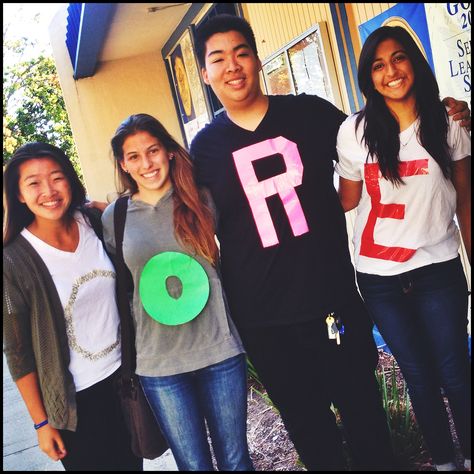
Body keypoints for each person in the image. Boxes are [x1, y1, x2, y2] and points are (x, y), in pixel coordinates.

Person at [190, 14, 471, 471]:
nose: (232, 66)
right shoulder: (201, 151)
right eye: (218, 58)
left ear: (258, 59)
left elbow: (386, 132)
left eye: (241, 53)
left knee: (363, 415)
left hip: (331, 299)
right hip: (263, 314)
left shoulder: (310, 114)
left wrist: (448, 113)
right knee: (307, 427)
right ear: (205, 73)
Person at [335, 26, 471, 472]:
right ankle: (446, 462)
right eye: (378, 64)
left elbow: (466, 201)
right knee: (417, 374)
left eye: (399, 58)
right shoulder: (354, 131)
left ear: (414, 61)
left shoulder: (449, 122)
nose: (390, 71)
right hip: (378, 276)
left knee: (454, 369)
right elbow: (348, 201)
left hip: (437, 267)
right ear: (367, 77)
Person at [101, 113, 254, 471]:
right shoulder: (115, 216)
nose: (146, 163)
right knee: (193, 465)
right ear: (123, 164)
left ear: (169, 151)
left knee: (235, 461)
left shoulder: (202, 198)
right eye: (134, 156)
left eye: (153, 150)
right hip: (159, 364)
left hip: (219, 351)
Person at [3, 142, 143, 471]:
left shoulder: (93, 220)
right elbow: (18, 352)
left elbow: (130, 213)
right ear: (19, 194)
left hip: (126, 383)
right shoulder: (14, 259)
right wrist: (41, 424)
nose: (49, 191)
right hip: (74, 404)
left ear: (70, 180)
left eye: (57, 178)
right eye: (33, 183)